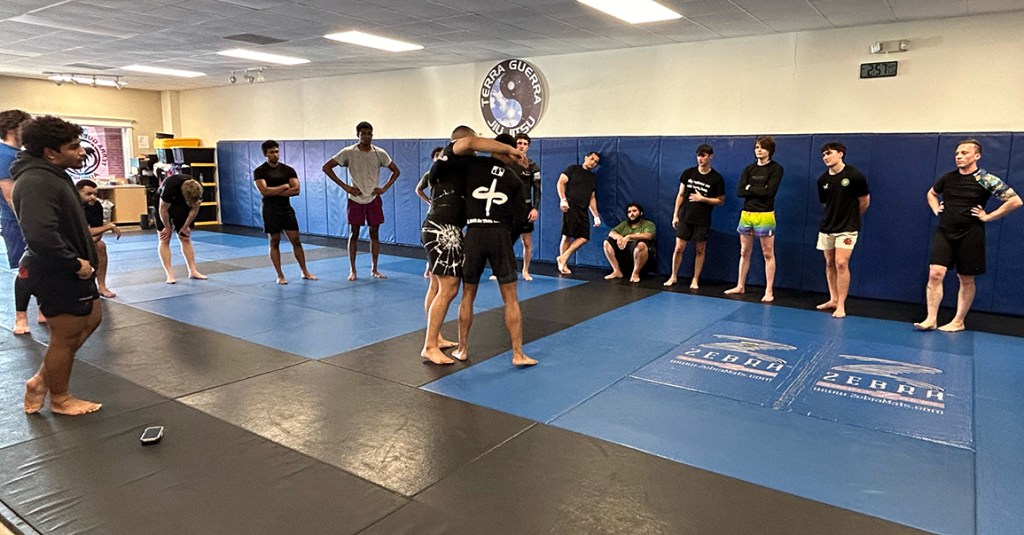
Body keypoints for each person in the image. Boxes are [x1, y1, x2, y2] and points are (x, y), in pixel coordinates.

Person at [11, 116, 103, 415]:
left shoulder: (53, 173)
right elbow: (39, 234)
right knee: (64, 337)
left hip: (70, 267)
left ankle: (41, 380)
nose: (82, 152)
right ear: (50, 152)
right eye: (73, 147)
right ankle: (60, 399)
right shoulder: (37, 180)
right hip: (55, 269)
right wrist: (73, 262)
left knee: (90, 319)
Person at [420, 126, 526, 365]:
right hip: (443, 227)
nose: (478, 150)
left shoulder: (461, 167)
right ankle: (429, 346)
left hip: (444, 226)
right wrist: (512, 149)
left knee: (437, 286)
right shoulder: (454, 150)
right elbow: (469, 142)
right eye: (475, 144)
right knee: (449, 288)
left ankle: (435, 337)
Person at [915, 139, 1021, 332]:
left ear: (976, 156)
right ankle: (931, 318)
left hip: (970, 234)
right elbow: (931, 193)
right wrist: (936, 209)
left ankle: (958, 321)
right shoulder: (948, 178)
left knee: (965, 278)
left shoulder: (986, 179)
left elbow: (1014, 200)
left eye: (964, 153)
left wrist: (988, 216)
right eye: (957, 153)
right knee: (935, 273)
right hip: (945, 232)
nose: (959, 156)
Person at [453, 133, 536, 367]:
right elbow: (520, 219)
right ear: (506, 150)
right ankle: (518, 353)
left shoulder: (473, 166)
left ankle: (462, 349)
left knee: (468, 294)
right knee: (511, 298)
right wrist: (506, 241)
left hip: (475, 233)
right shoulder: (515, 180)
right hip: (499, 234)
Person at [322, 121, 400, 281]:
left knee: (374, 233)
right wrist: (345, 187)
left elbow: (396, 171)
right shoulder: (348, 152)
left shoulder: (379, 153)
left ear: (372, 135)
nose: (366, 137)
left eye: (369, 133)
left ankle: (375, 269)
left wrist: (384, 188)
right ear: (358, 135)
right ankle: (353, 270)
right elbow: (327, 167)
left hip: (373, 198)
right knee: (354, 233)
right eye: (363, 133)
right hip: (355, 198)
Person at [0, 109, 45, 335]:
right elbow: (10, 195)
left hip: (32, 218)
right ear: (11, 129)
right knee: (26, 269)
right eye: (24, 126)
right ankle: (20, 318)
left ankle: (42, 309)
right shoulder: (4, 154)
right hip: (17, 221)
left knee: (43, 266)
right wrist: (27, 223)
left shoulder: (21, 154)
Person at [815, 142, 870, 318]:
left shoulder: (855, 176)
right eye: (823, 155)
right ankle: (833, 298)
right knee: (829, 263)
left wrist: (852, 218)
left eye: (829, 153)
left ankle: (841, 305)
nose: (825, 157)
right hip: (827, 227)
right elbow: (825, 203)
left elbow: (864, 201)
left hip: (847, 228)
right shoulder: (822, 180)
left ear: (840, 154)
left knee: (841, 263)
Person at [725, 136, 783, 302]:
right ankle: (740, 285)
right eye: (757, 147)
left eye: (763, 147)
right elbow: (740, 191)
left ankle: (769, 290)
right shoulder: (749, 169)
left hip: (765, 215)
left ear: (769, 150)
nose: (759, 150)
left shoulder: (776, 168)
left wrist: (751, 188)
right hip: (747, 214)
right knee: (744, 251)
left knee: (767, 253)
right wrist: (758, 188)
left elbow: (770, 191)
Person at [253, 140, 316, 284]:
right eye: (272, 152)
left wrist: (274, 191)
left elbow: (296, 190)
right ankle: (280, 275)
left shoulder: (288, 170)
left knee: (296, 241)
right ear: (265, 154)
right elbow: (264, 191)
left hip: (286, 209)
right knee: (274, 241)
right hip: (270, 210)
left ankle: (305, 271)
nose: (275, 154)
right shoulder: (260, 171)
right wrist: (283, 187)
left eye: (277, 151)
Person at [665, 144, 725, 289]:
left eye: (704, 156)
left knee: (700, 249)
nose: (700, 158)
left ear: (710, 156)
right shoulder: (688, 173)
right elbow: (680, 195)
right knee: (679, 247)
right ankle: (673, 276)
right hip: (685, 216)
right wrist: (675, 215)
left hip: (702, 218)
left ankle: (695, 279)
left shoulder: (716, 178)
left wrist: (702, 199)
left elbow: (720, 201)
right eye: (699, 155)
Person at [555, 151, 601, 275]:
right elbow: (560, 182)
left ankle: (563, 257)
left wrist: (595, 215)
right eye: (592, 159)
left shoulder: (592, 177)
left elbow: (592, 197)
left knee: (584, 237)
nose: (593, 162)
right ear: (586, 158)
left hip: (583, 209)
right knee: (567, 236)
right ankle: (563, 265)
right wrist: (563, 199)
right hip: (570, 206)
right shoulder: (573, 169)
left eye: (596, 162)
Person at [157, 170, 206, 284]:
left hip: (181, 204)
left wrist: (185, 226)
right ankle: (169, 274)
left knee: (185, 237)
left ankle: (193, 271)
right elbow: (163, 210)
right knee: (164, 238)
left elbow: (195, 208)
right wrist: (167, 227)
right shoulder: (169, 187)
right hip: (163, 205)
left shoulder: (197, 188)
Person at [76, 179, 120, 298]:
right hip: (66, 241)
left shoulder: (96, 206)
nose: (93, 197)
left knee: (100, 246)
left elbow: (97, 233)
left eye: (95, 194)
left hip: (85, 239)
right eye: (88, 194)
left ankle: (102, 286)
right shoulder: (70, 207)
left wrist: (92, 241)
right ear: (77, 193)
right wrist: (108, 226)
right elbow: (81, 232)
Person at [603, 203, 656, 283]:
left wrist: (629, 236)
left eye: (634, 211)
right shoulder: (625, 224)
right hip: (624, 256)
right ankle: (617, 271)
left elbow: (648, 236)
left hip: (641, 259)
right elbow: (611, 233)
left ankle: (635, 274)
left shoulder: (648, 224)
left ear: (641, 213)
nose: (632, 214)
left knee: (641, 245)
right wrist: (619, 237)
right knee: (607, 243)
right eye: (629, 212)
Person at [514, 133, 541, 281]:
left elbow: (537, 189)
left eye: (524, 143)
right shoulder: (508, 164)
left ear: (528, 147)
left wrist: (535, 208)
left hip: (526, 208)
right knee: (504, 241)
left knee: (527, 241)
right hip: (509, 208)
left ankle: (525, 270)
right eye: (519, 143)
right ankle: (502, 271)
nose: (521, 146)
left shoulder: (533, 167)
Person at [416, 145, 445, 278]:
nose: (439, 158)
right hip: (434, 211)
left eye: (442, 155)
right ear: (433, 159)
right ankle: (430, 265)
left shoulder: (450, 173)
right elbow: (418, 189)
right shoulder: (429, 174)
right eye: (437, 156)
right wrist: (429, 200)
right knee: (433, 240)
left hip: (448, 210)